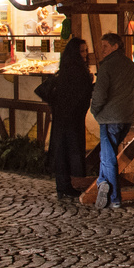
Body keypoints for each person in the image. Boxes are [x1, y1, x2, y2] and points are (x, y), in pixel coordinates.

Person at [88, 31, 134, 208]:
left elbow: (100, 93)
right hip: (126, 117)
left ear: (115, 46)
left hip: (109, 118)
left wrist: (94, 110)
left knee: (108, 158)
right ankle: (102, 181)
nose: (102, 50)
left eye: (105, 46)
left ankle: (114, 197)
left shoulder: (107, 67)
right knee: (107, 154)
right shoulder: (130, 66)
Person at [44, 38, 93, 200]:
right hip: (70, 118)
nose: (85, 54)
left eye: (86, 50)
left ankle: (63, 184)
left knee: (62, 150)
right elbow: (77, 95)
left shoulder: (66, 69)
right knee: (69, 150)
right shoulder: (76, 71)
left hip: (63, 117)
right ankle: (68, 185)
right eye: (81, 51)